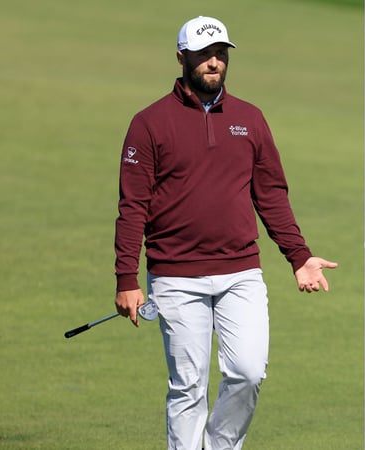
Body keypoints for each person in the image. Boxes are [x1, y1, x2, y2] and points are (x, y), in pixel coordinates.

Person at [113, 16, 337, 450]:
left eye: (220, 54)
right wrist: (126, 279)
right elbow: (132, 205)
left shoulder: (250, 119)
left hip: (241, 274)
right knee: (188, 387)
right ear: (182, 58)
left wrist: (299, 256)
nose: (213, 62)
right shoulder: (149, 123)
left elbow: (271, 194)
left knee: (248, 372)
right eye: (203, 54)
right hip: (176, 277)